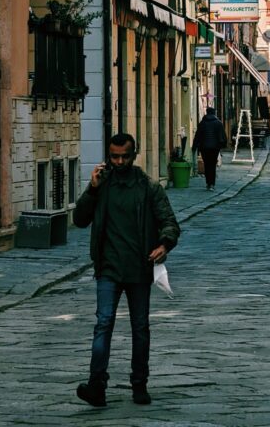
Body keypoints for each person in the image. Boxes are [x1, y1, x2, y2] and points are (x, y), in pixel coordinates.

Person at [72, 133, 181, 409]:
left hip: (139, 268)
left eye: (124, 156)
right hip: (108, 267)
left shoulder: (148, 187)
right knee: (103, 323)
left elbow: (169, 221)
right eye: (114, 156)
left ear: (135, 155)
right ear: (108, 155)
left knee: (140, 327)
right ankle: (97, 385)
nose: (119, 161)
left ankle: (139, 383)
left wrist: (164, 244)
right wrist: (92, 188)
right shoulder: (102, 185)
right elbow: (80, 220)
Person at [192, 106, 227, 192]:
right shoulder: (218, 123)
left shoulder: (202, 123)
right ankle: (212, 184)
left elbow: (197, 136)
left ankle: (208, 183)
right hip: (214, 148)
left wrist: (194, 147)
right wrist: (222, 146)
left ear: (207, 113)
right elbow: (223, 136)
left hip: (204, 148)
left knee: (207, 165)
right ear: (214, 113)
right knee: (212, 165)